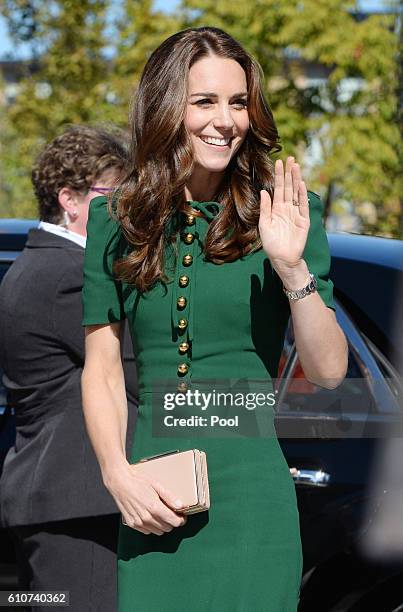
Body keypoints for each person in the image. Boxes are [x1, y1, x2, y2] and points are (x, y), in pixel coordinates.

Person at [81, 27, 348, 611]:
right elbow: (101, 369)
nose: (224, 120)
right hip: (154, 499)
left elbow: (328, 371)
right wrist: (116, 474)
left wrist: (290, 265)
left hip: (254, 505)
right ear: (166, 106)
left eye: (238, 102)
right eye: (204, 101)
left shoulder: (286, 212)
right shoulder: (115, 219)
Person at [0, 125, 138, 611]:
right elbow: (137, 371)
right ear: (70, 200)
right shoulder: (67, 275)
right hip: (77, 506)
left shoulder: (41, 264)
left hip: (66, 505)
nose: (125, 208)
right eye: (112, 195)